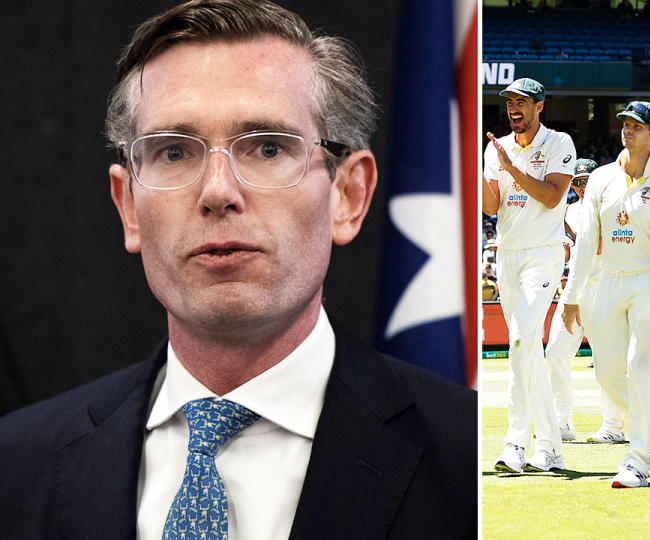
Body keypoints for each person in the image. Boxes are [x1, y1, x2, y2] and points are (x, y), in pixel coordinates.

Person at [0, 2, 477, 538]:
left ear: (348, 195)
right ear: (128, 207)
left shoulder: (471, 458)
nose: (217, 191)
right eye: (175, 152)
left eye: (268, 147)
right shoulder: (16, 464)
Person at [561, 100, 650, 488]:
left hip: (647, 284)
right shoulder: (599, 179)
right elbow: (585, 243)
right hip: (610, 282)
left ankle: (636, 459)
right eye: (625, 123)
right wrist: (571, 295)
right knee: (608, 372)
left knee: (641, 365)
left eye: (637, 125)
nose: (628, 129)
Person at [483, 77, 575, 473]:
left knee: (520, 342)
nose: (514, 109)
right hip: (508, 255)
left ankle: (515, 443)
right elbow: (490, 206)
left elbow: (553, 197)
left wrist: (510, 168)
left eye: (522, 102)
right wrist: (476, 169)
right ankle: (550, 449)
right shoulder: (495, 147)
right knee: (528, 350)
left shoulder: (559, 144)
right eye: (510, 103)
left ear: (540, 106)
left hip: (543, 255)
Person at [543, 158, 600, 442]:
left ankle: (613, 426)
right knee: (554, 352)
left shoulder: (611, 205)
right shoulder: (567, 210)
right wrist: (564, 247)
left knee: (609, 363)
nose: (581, 186)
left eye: (587, 181)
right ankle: (562, 423)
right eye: (577, 182)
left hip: (603, 289)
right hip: (574, 290)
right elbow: (565, 245)